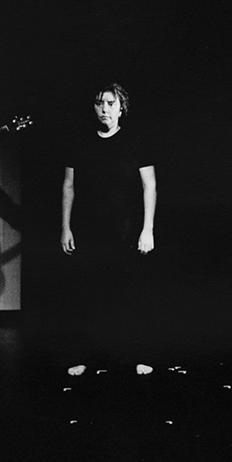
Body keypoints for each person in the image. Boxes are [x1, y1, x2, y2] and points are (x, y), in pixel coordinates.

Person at [60, 82, 157, 376]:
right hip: (89, 227)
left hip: (124, 228)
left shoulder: (135, 140)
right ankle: (85, 357)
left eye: (111, 103)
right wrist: (65, 227)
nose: (105, 109)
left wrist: (147, 229)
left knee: (126, 294)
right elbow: (69, 186)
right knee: (88, 294)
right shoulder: (81, 142)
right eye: (100, 103)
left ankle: (134, 356)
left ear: (121, 108)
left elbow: (148, 185)